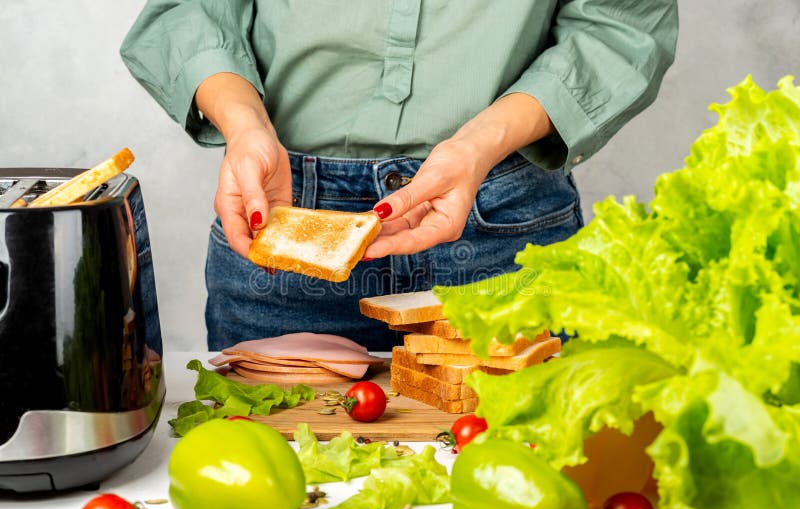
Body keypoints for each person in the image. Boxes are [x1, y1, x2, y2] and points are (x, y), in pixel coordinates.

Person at [120, 1, 678, 351]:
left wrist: (477, 146)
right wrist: (245, 127)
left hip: (504, 221)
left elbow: (620, 23)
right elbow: (188, 10)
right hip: (289, 218)